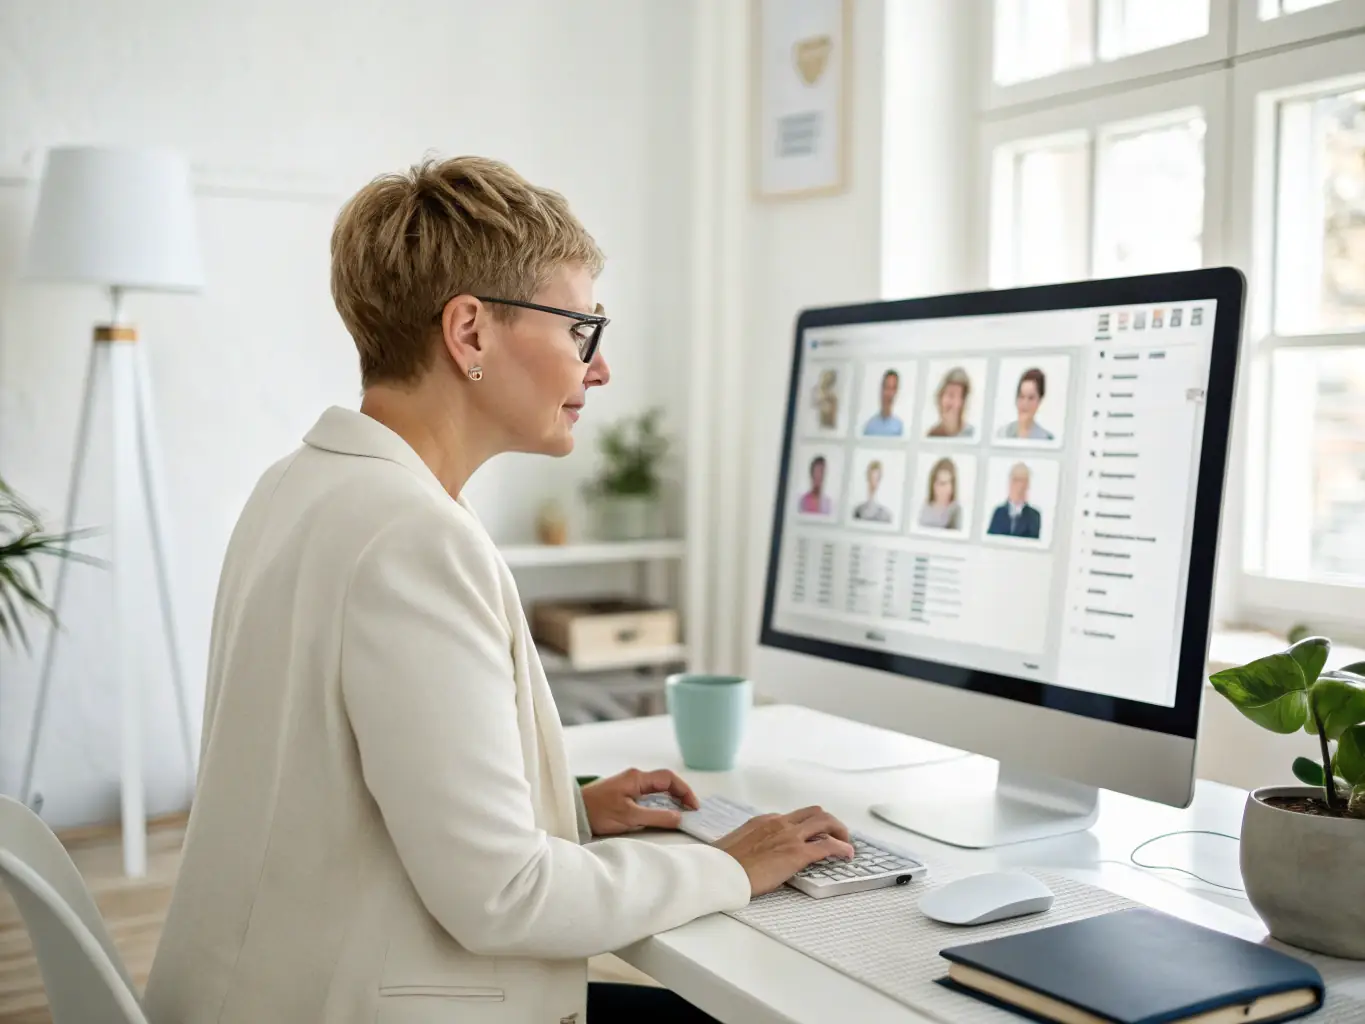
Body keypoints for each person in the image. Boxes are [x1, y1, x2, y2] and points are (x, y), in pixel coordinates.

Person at [142, 156, 855, 1024]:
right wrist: (731, 863)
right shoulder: (412, 538)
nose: (599, 371)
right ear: (469, 333)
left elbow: (339, 790)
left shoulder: (299, 484)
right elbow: (504, 898)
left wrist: (571, 810)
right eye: (580, 331)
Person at [987, 461, 1043, 539]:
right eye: (1016, 480)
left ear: (1028, 485)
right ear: (1010, 483)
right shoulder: (999, 513)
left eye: (1023, 481)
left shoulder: (1034, 516)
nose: (1020, 486)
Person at [998, 367, 1054, 440]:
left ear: (1039, 401)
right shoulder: (1002, 435)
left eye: (1031, 398)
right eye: (1021, 396)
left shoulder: (1047, 440)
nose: (1025, 403)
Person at [925, 367, 975, 438]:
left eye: (954, 396)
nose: (949, 403)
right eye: (949, 395)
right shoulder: (932, 435)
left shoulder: (972, 435)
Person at [917, 456, 962, 530]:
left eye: (943, 483)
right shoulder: (926, 507)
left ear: (952, 486)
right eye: (935, 482)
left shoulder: (955, 510)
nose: (938, 488)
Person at [862, 369, 904, 436]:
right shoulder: (870, 426)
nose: (890, 393)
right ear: (882, 389)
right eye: (887, 387)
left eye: (893, 388)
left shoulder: (899, 427)